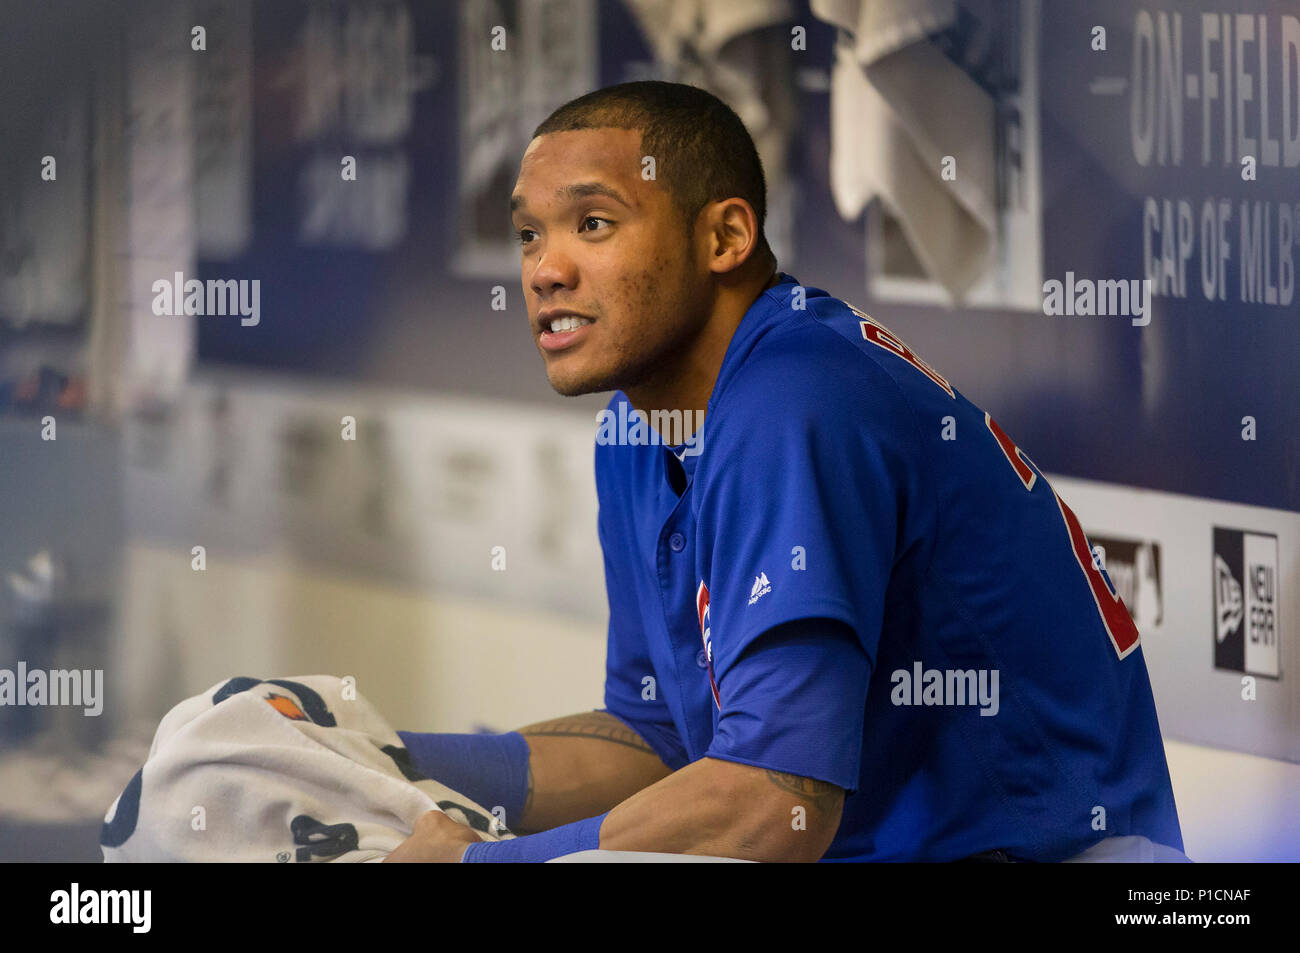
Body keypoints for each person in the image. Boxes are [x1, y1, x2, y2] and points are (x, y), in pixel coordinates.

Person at [386, 81, 1185, 863]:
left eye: (593, 224)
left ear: (725, 238)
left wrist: (482, 863)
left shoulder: (794, 398)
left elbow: (775, 804)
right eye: (529, 234)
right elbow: (661, 741)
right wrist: (383, 755)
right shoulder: (636, 427)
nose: (544, 270)